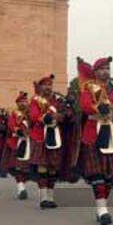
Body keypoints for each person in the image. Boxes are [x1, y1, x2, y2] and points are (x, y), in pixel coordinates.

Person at [75, 56, 113, 225]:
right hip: (93, 132)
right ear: (95, 72)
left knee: (109, 175)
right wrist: (104, 107)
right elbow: (85, 105)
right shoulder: (89, 88)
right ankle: (102, 210)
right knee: (97, 174)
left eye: (108, 68)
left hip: (110, 132)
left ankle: (103, 206)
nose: (106, 72)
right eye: (102, 69)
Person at [28, 75, 73, 209]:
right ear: (40, 87)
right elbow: (34, 116)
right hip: (41, 136)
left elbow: (66, 113)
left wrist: (63, 115)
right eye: (45, 85)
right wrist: (48, 118)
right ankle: (43, 198)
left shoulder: (57, 99)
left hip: (55, 136)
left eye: (50, 85)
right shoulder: (35, 100)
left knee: (53, 168)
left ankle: (51, 197)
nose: (48, 87)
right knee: (43, 166)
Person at [0, 91, 31, 199]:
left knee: (27, 168)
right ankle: (21, 188)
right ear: (17, 104)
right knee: (18, 168)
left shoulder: (31, 113)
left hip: (30, 144)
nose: (23, 103)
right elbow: (12, 125)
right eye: (21, 102)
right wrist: (19, 131)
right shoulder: (14, 114)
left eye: (25, 101)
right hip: (17, 143)